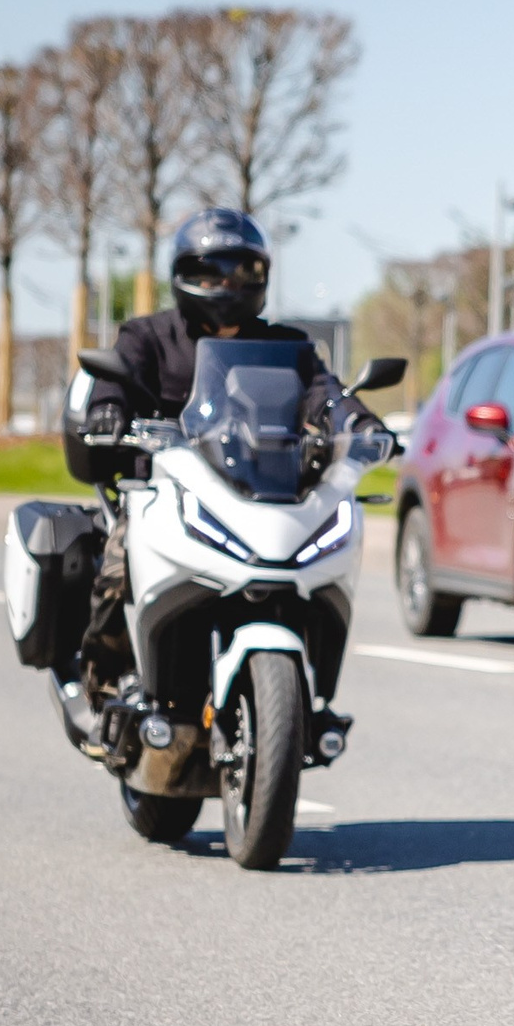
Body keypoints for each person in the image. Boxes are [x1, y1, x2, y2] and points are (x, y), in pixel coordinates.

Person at [79, 208, 382, 687]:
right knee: (119, 567)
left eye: (242, 271)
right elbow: (114, 381)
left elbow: (327, 395)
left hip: (262, 489)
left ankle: (310, 694)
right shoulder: (147, 336)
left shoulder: (289, 346)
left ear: (262, 275)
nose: (225, 284)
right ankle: (107, 682)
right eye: (209, 271)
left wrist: (360, 424)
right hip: (167, 490)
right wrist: (108, 410)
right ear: (182, 274)